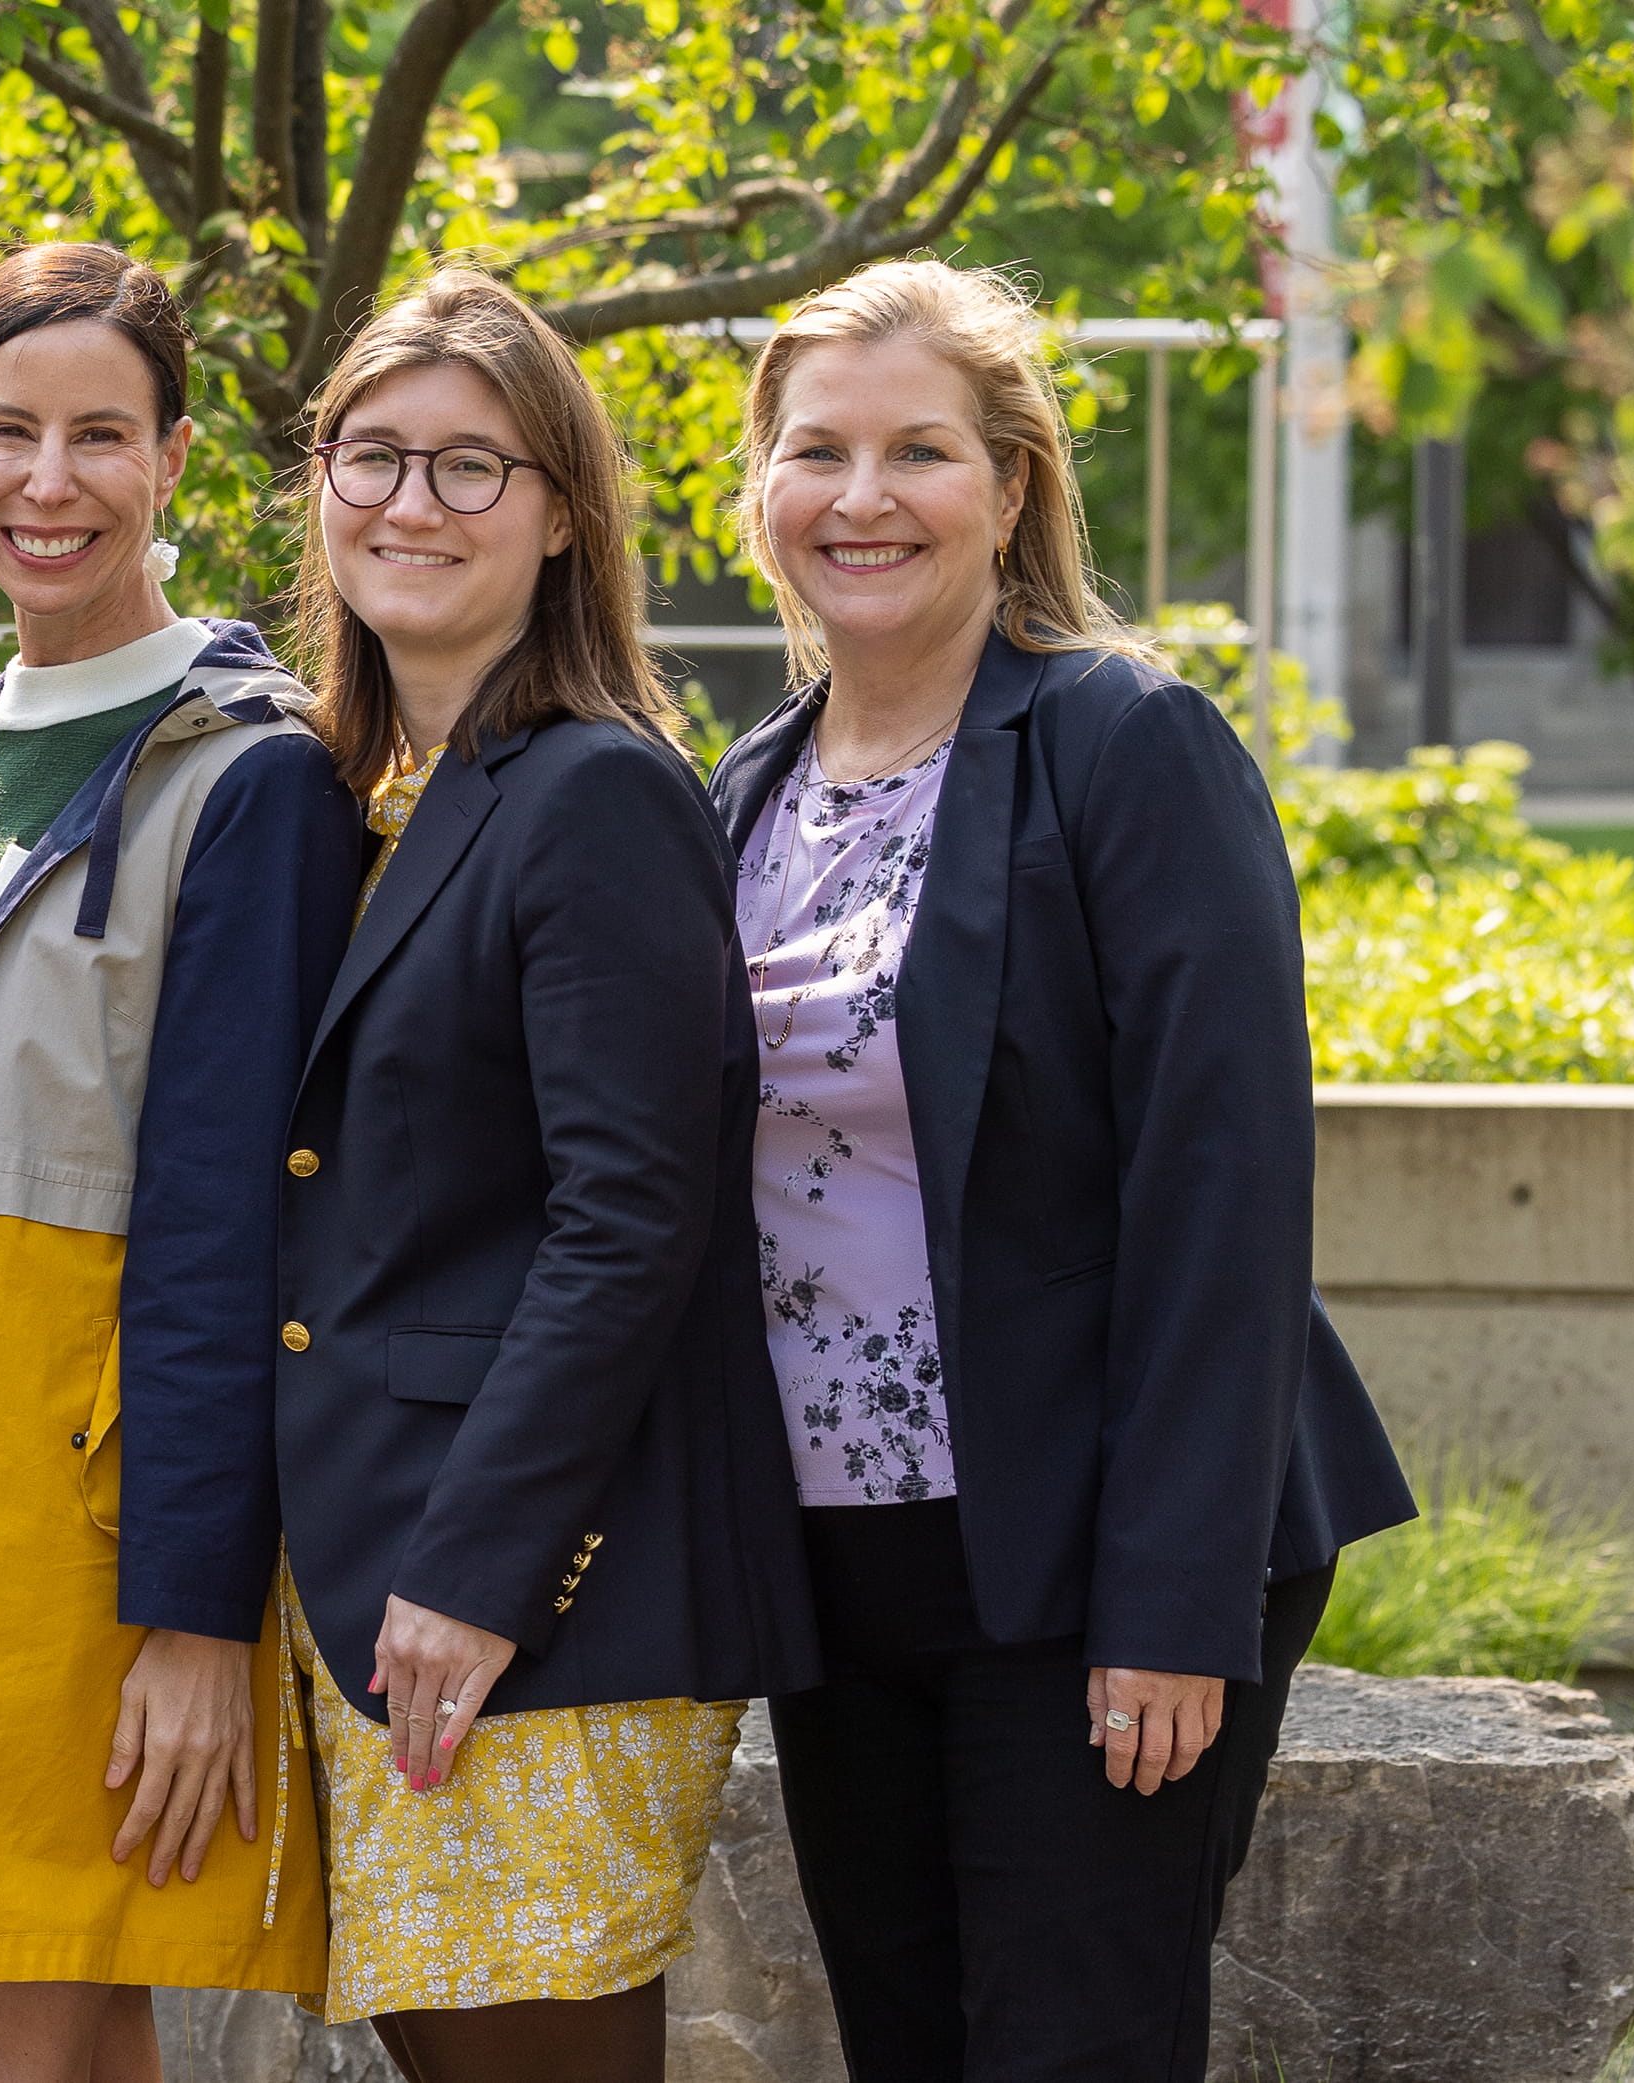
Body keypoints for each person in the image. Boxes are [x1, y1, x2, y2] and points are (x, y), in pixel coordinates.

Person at [710, 258, 1414, 2083]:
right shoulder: (748, 787)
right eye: (816, 452)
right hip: (844, 1560)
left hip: (1093, 1548)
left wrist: (1171, 1606)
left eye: (919, 452)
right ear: (762, 489)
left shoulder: (1123, 741)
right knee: (910, 2047)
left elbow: (1223, 1194)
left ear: (1012, 486)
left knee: (1072, 2047)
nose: (861, 498)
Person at [0, 243, 361, 2080]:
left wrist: (194, 1616)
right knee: (76, 2009)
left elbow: (233, 1218)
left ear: (174, 459)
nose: (50, 481)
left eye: (102, 434)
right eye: (9, 430)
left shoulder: (253, 774)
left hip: (82, 1536)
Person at [262, 268, 818, 2081]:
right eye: (371, 456)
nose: (410, 504)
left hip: (527, 1593)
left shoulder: (594, 792)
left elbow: (629, 1220)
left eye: (471, 467)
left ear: (564, 513)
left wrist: (483, 1567)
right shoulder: (359, 794)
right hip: (380, 1560)